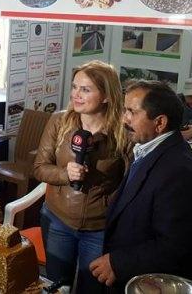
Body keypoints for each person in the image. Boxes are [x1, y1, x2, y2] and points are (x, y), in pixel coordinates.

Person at [90, 80, 192, 292]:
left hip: (154, 283)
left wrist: (118, 263)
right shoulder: (148, 149)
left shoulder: (180, 172)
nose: (124, 119)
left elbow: (176, 246)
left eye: (132, 112)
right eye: (125, 110)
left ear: (160, 122)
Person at [32, 61, 129, 293]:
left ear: (107, 96)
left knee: (92, 289)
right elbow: (39, 168)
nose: (76, 94)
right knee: (58, 286)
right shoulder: (59, 121)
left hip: (99, 228)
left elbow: (130, 183)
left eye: (85, 89)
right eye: (75, 87)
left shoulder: (123, 132)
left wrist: (109, 204)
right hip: (57, 219)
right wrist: (65, 174)